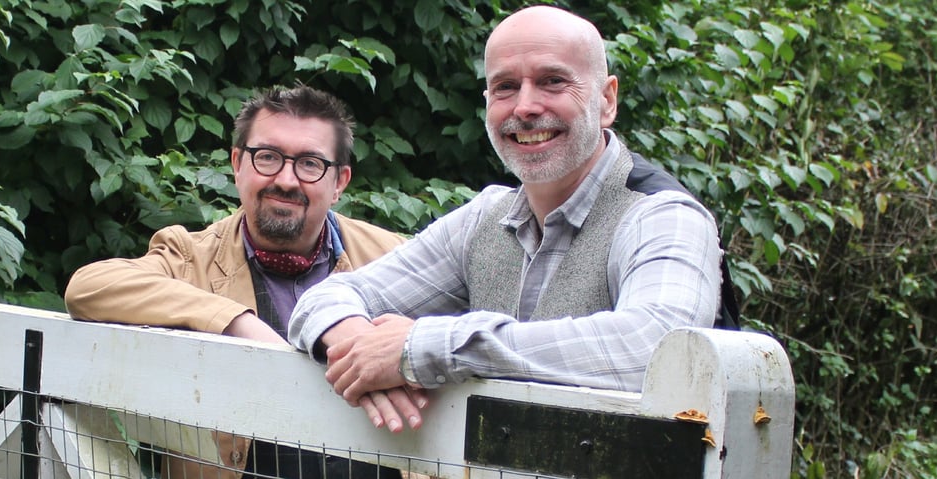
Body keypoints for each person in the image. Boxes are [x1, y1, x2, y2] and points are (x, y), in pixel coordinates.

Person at [286, 5, 725, 433]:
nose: (525, 106)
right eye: (505, 87)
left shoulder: (664, 217)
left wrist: (424, 349)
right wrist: (363, 350)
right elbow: (323, 298)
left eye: (553, 81)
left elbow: (658, 346)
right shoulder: (484, 219)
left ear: (606, 100)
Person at [65, 85, 411, 479]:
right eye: (268, 157)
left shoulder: (394, 256)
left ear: (339, 182)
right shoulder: (190, 257)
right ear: (237, 164)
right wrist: (235, 322)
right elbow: (88, 287)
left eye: (310, 163)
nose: (286, 179)